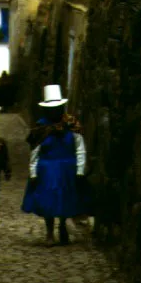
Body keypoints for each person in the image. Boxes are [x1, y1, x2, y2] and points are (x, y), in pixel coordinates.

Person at [21, 84, 88, 246]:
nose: (55, 111)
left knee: (65, 199)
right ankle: (50, 232)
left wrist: (80, 169)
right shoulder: (41, 129)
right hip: (47, 171)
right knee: (48, 201)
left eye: (57, 108)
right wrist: (34, 172)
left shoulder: (71, 126)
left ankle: (63, 225)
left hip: (67, 169)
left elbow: (80, 149)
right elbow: (35, 152)